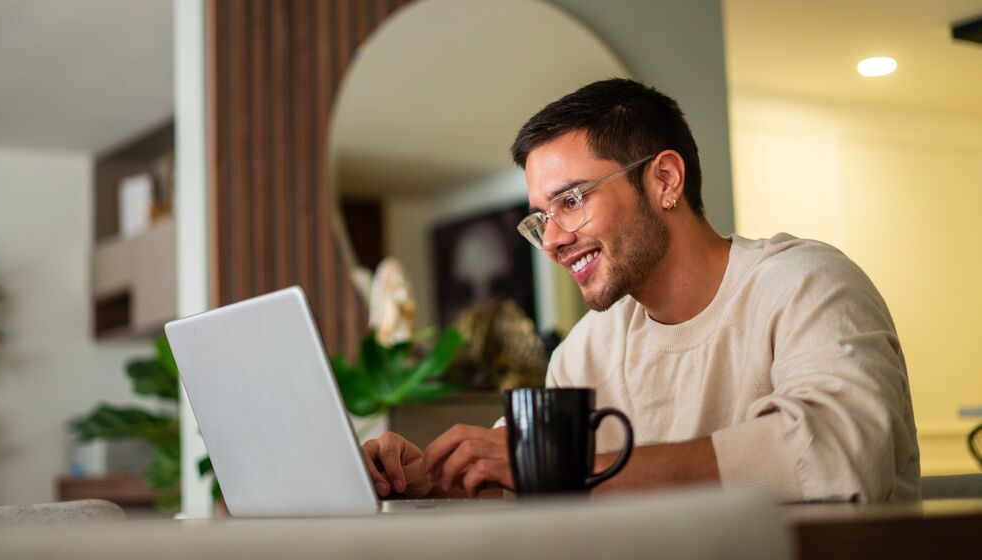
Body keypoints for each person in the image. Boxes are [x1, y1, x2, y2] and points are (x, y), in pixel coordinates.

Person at [360, 78, 920, 503]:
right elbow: (513, 466)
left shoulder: (807, 284)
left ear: (665, 180)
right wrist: (423, 474)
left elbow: (838, 455)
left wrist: (571, 467)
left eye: (572, 200)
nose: (552, 240)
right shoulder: (588, 348)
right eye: (539, 218)